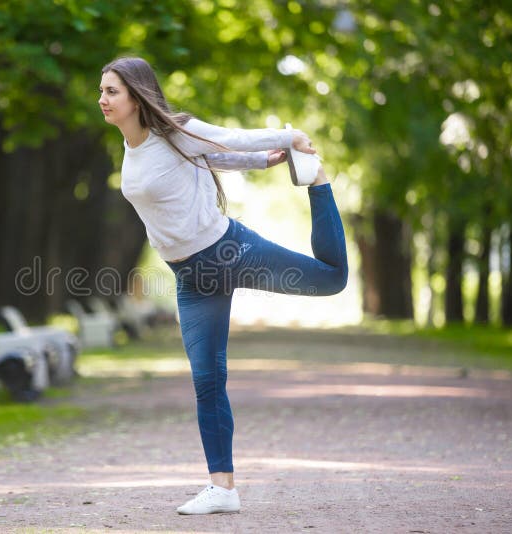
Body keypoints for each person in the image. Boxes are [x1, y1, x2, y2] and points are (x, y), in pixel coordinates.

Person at [98, 56, 348, 515]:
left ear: (136, 95)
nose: (103, 99)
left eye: (112, 91)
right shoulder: (133, 149)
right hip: (191, 277)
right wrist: (261, 161)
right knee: (207, 380)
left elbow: (222, 139)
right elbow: (213, 156)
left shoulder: (172, 132)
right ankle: (223, 488)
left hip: (229, 254)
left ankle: (320, 183)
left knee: (332, 279)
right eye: (102, 91)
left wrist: (286, 139)